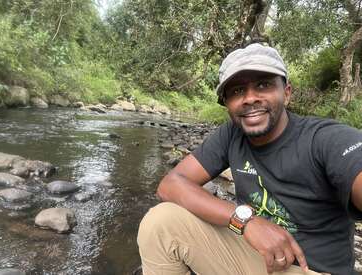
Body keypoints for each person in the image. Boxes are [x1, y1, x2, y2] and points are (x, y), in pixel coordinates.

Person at [137, 43, 362, 275]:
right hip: (254, 257)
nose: (249, 98)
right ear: (227, 104)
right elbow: (170, 185)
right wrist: (245, 221)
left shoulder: (326, 138)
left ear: (286, 93)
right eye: (236, 91)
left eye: (263, 85)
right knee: (161, 222)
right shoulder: (232, 134)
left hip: (309, 270)